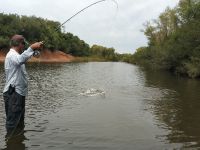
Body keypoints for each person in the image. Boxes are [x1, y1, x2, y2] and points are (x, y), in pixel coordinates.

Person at [3, 34, 43, 138]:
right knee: (13, 123)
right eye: (23, 45)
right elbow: (20, 60)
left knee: (19, 121)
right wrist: (32, 48)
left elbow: (22, 58)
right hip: (13, 94)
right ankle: (11, 142)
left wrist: (33, 52)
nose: (24, 47)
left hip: (18, 94)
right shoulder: (11, 55)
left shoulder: (16, 55)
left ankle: (18, 142)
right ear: (20, 44)